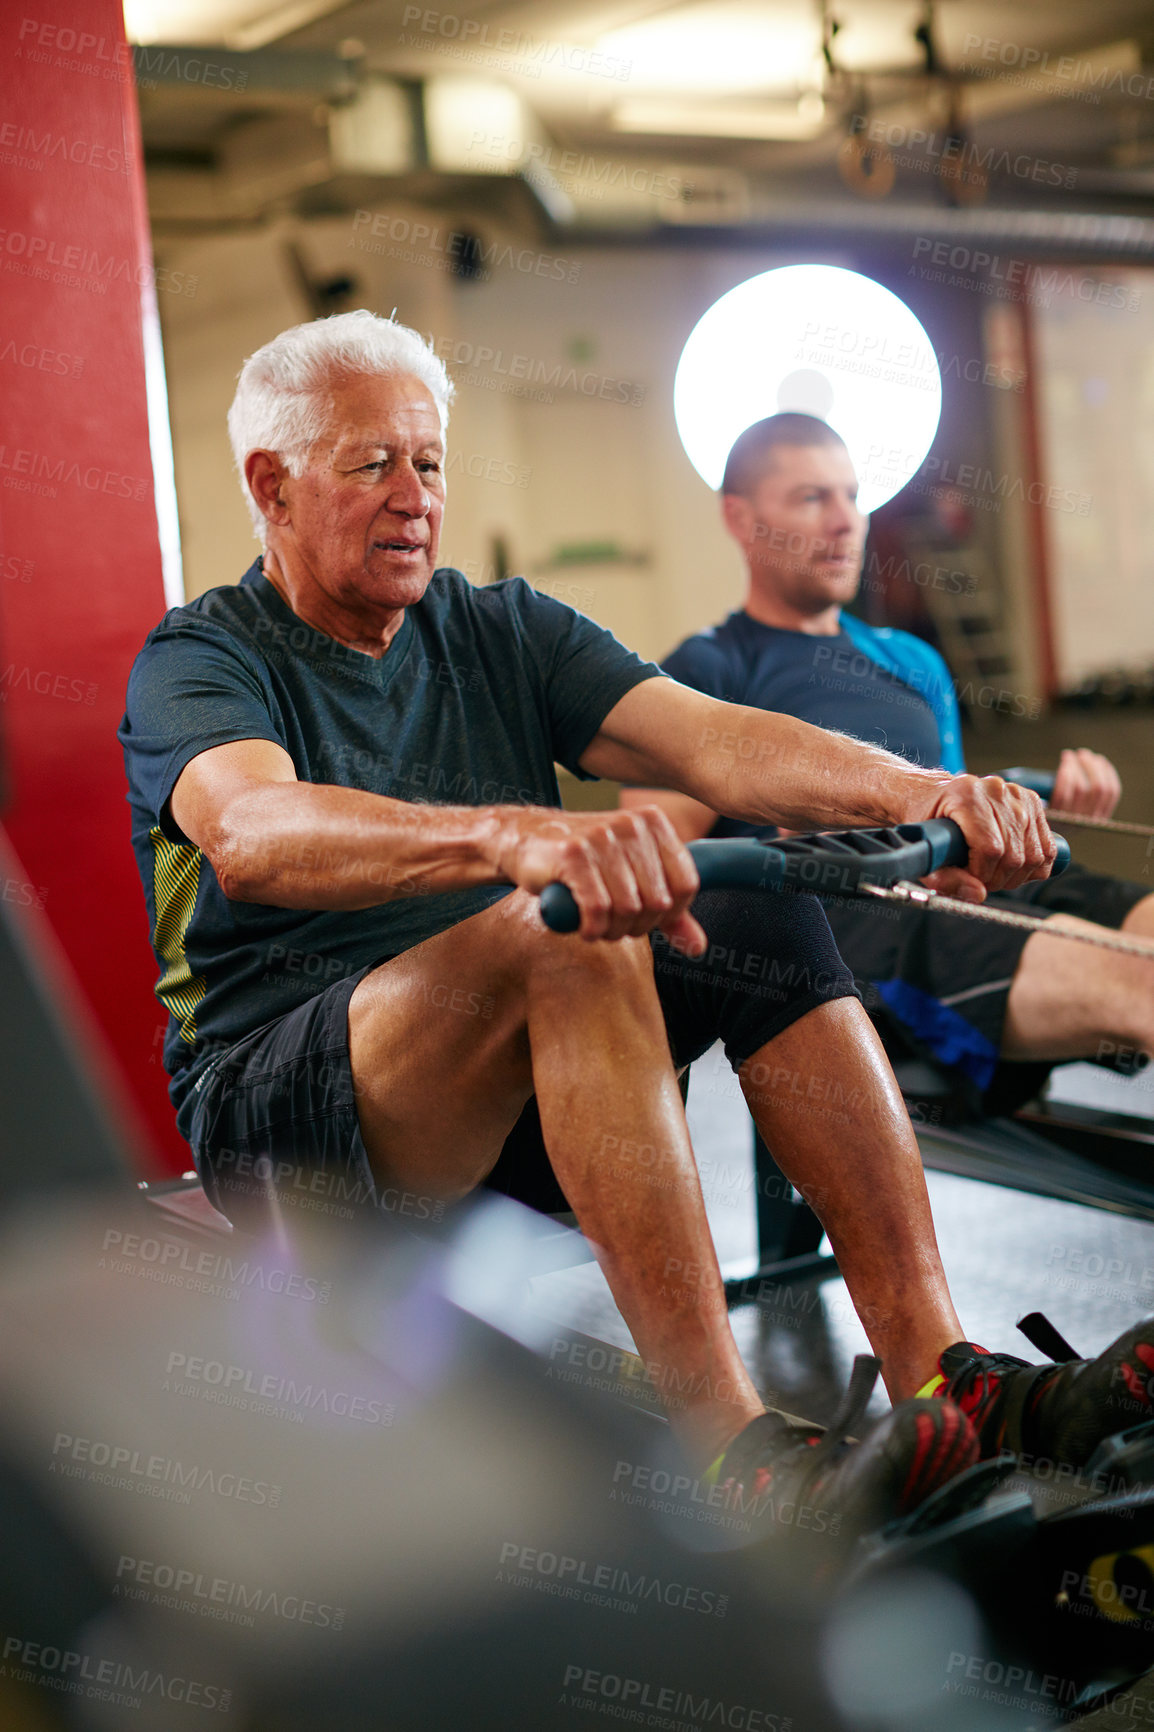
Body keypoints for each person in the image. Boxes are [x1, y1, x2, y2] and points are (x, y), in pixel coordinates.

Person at [118, 316, 1150, 1544]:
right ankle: (733, 1454)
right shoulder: (201, 657)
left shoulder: (496, 627)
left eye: (431, 463)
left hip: (514, 1086)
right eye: (370, 464)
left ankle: (948, 1377)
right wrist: (510, 837)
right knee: (556, 921)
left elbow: (719, 739)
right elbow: (257, 828)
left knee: (757, 897)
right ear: (269, 486)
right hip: (293, 1118)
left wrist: (922, 793)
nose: (414, 498)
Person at [622, 411, 1154, 1123]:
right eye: (812, 498)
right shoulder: (707, 670)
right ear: (741, 518)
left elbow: (958, 811)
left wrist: (1029, 821)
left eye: (851, 494)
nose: (846, 521)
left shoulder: (915, 661)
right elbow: (654, 865)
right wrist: (781, 853)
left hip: (977, 900)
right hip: (868, 931)